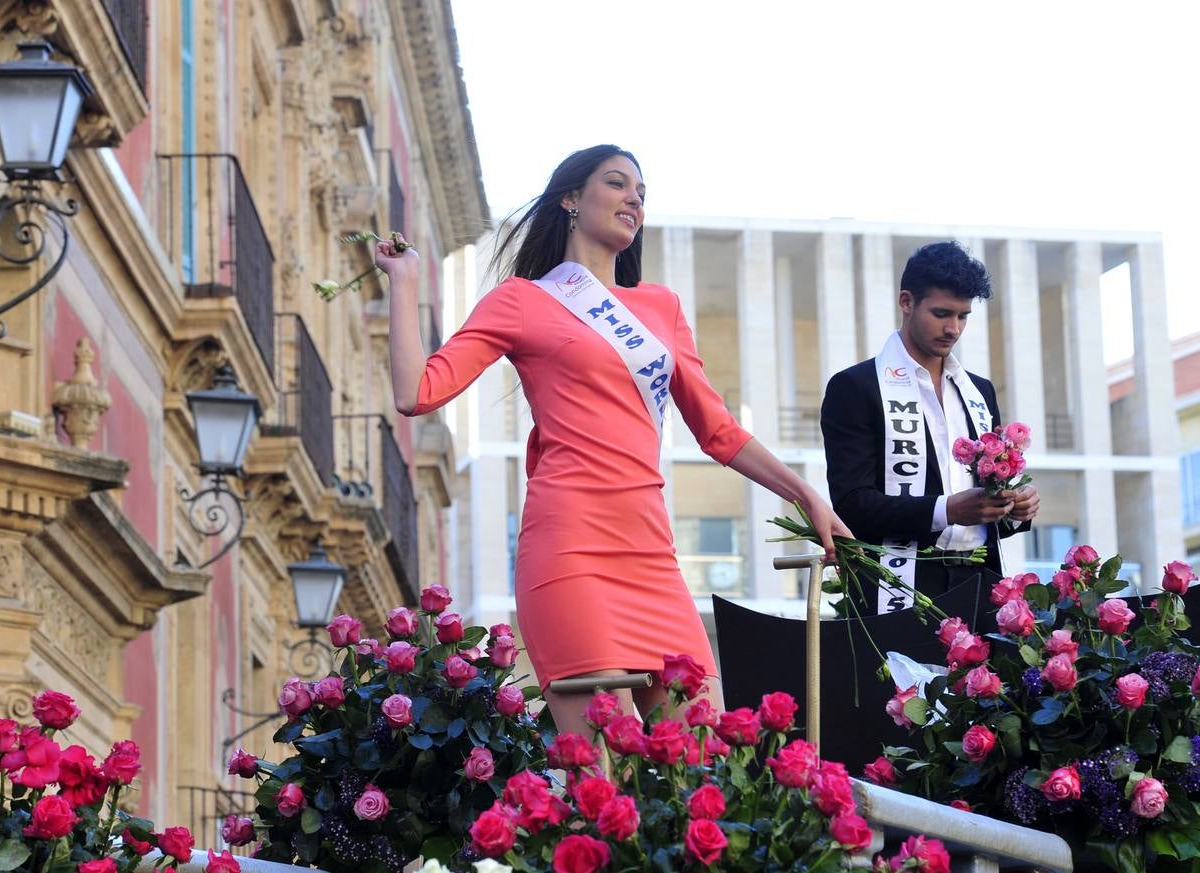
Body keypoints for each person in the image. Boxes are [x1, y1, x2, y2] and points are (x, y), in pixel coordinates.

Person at [374, 145, 851, 735]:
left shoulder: (660, 308)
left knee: (702, 755)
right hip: (570, 548)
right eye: (618, 184)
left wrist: (806, 495)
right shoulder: (522, 301)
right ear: (571, 198)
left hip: (651, 554)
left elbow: (719, 431)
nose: (634, 199)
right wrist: (404, 281)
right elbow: (416, 392)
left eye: (642, 193)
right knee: (601, 762)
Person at [820, 241, 1040, 629]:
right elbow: (852, 505)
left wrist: (1015, 508)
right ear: (906, 302)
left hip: (980, 585)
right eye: (941, 313)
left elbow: (988, 509)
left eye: (963, 316)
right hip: (897, 585)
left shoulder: (979, 392)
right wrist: (948, 509)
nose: (953, 328)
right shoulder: (855, 388)